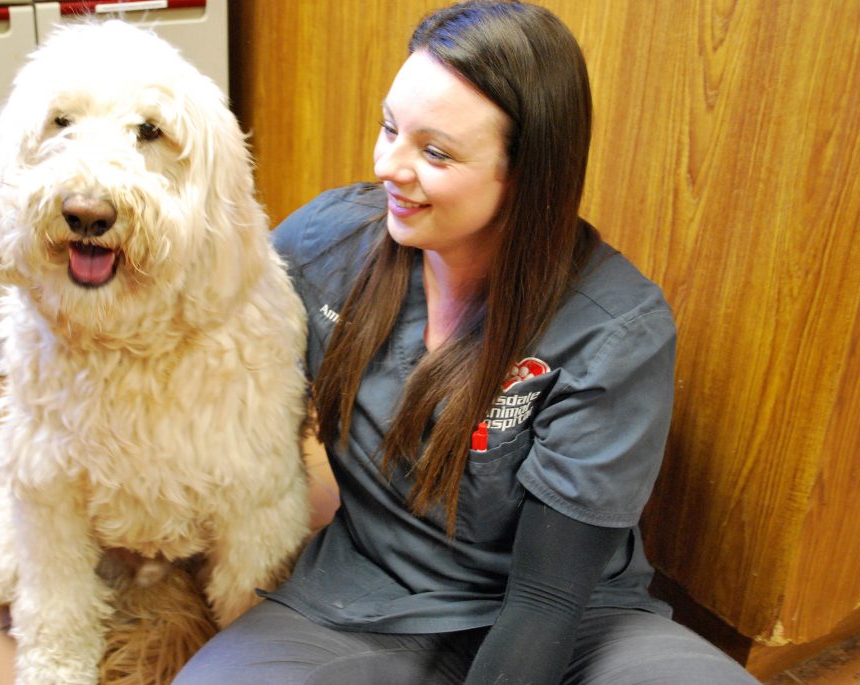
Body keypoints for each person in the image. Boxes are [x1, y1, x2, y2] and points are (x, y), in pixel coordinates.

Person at [175, 2, 761, 683]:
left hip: (571, 619)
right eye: (390, 128)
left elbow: (545, 602)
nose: (390, 166)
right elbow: (199, 362)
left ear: (525, 174)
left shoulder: (615, 329)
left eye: (434, 152)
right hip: (368, 598)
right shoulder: (326, 243)